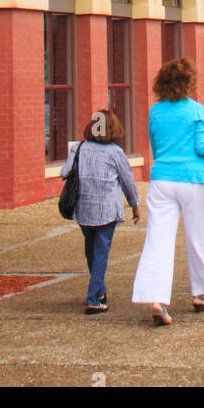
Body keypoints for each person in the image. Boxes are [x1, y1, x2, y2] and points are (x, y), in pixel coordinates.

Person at [132, 57, 204, 325]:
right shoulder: (196, 110)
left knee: (158, 239)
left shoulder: (155, 111)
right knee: (196, 239)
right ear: (189, 83)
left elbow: (155, 145)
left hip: (162, 178)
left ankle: (157, 299)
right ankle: (200, 293)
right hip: (193, 179)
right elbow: (202, 148)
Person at [61, 108, 140, 315]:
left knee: (91, 251)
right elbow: (128, 182)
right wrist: (134, 204)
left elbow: (63, 172)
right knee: (101, 252)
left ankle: (99, 289)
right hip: (107, 209)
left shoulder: (78, 148)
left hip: (83, 207)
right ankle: (93, 297)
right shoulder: (115, 153)